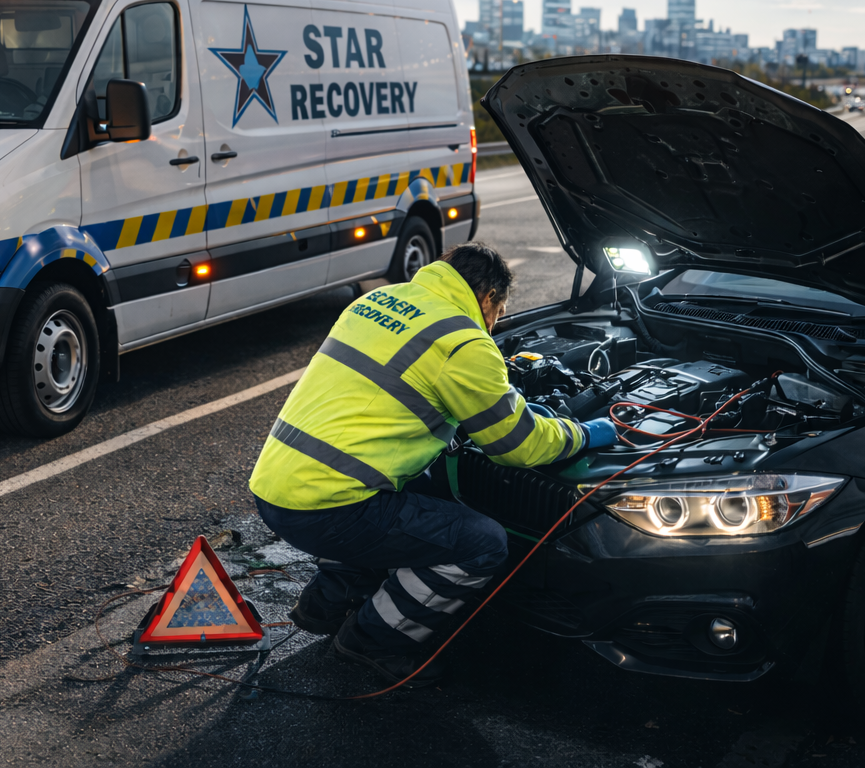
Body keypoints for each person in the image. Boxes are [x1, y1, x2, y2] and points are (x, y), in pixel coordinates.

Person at [248, 241, 616, 686]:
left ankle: (323, 605)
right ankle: (374, 640)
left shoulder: (377, 301)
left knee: (419, 493)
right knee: (481, 543)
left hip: (275, 485)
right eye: (498, 311)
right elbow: (518, 447)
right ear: (488, 299)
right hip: (327, 512)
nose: (494, 322)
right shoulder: (462, 341)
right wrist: (587, 432)